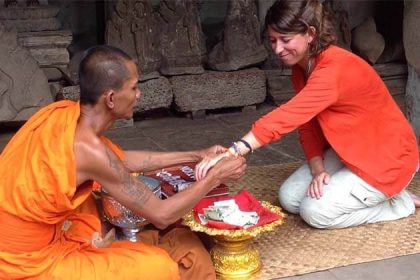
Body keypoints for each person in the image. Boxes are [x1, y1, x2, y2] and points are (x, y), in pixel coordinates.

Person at [0, 45, 246, 279]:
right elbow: (161, 215)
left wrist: (197, 155)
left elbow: (121, 160)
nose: (138, 95)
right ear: (110, 98)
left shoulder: (63, 113)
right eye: (134, 88)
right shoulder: (89, 150)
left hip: (20, 235)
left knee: (89, 206)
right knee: (159, 266)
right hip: (25, 262)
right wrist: (216, 177)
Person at [195, 0, 419, 229]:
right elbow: (307, 124)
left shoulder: (334, 69)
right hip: (351, 149)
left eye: (285, 40)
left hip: (389, 158)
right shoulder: (302, 68)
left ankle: (398, 203)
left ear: (310, 34)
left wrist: (234, 151)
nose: (277, 49)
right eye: (273, 40)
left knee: (314, 213)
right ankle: (376, 194)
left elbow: (288, 116)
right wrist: (318, 169)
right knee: (290, 198)